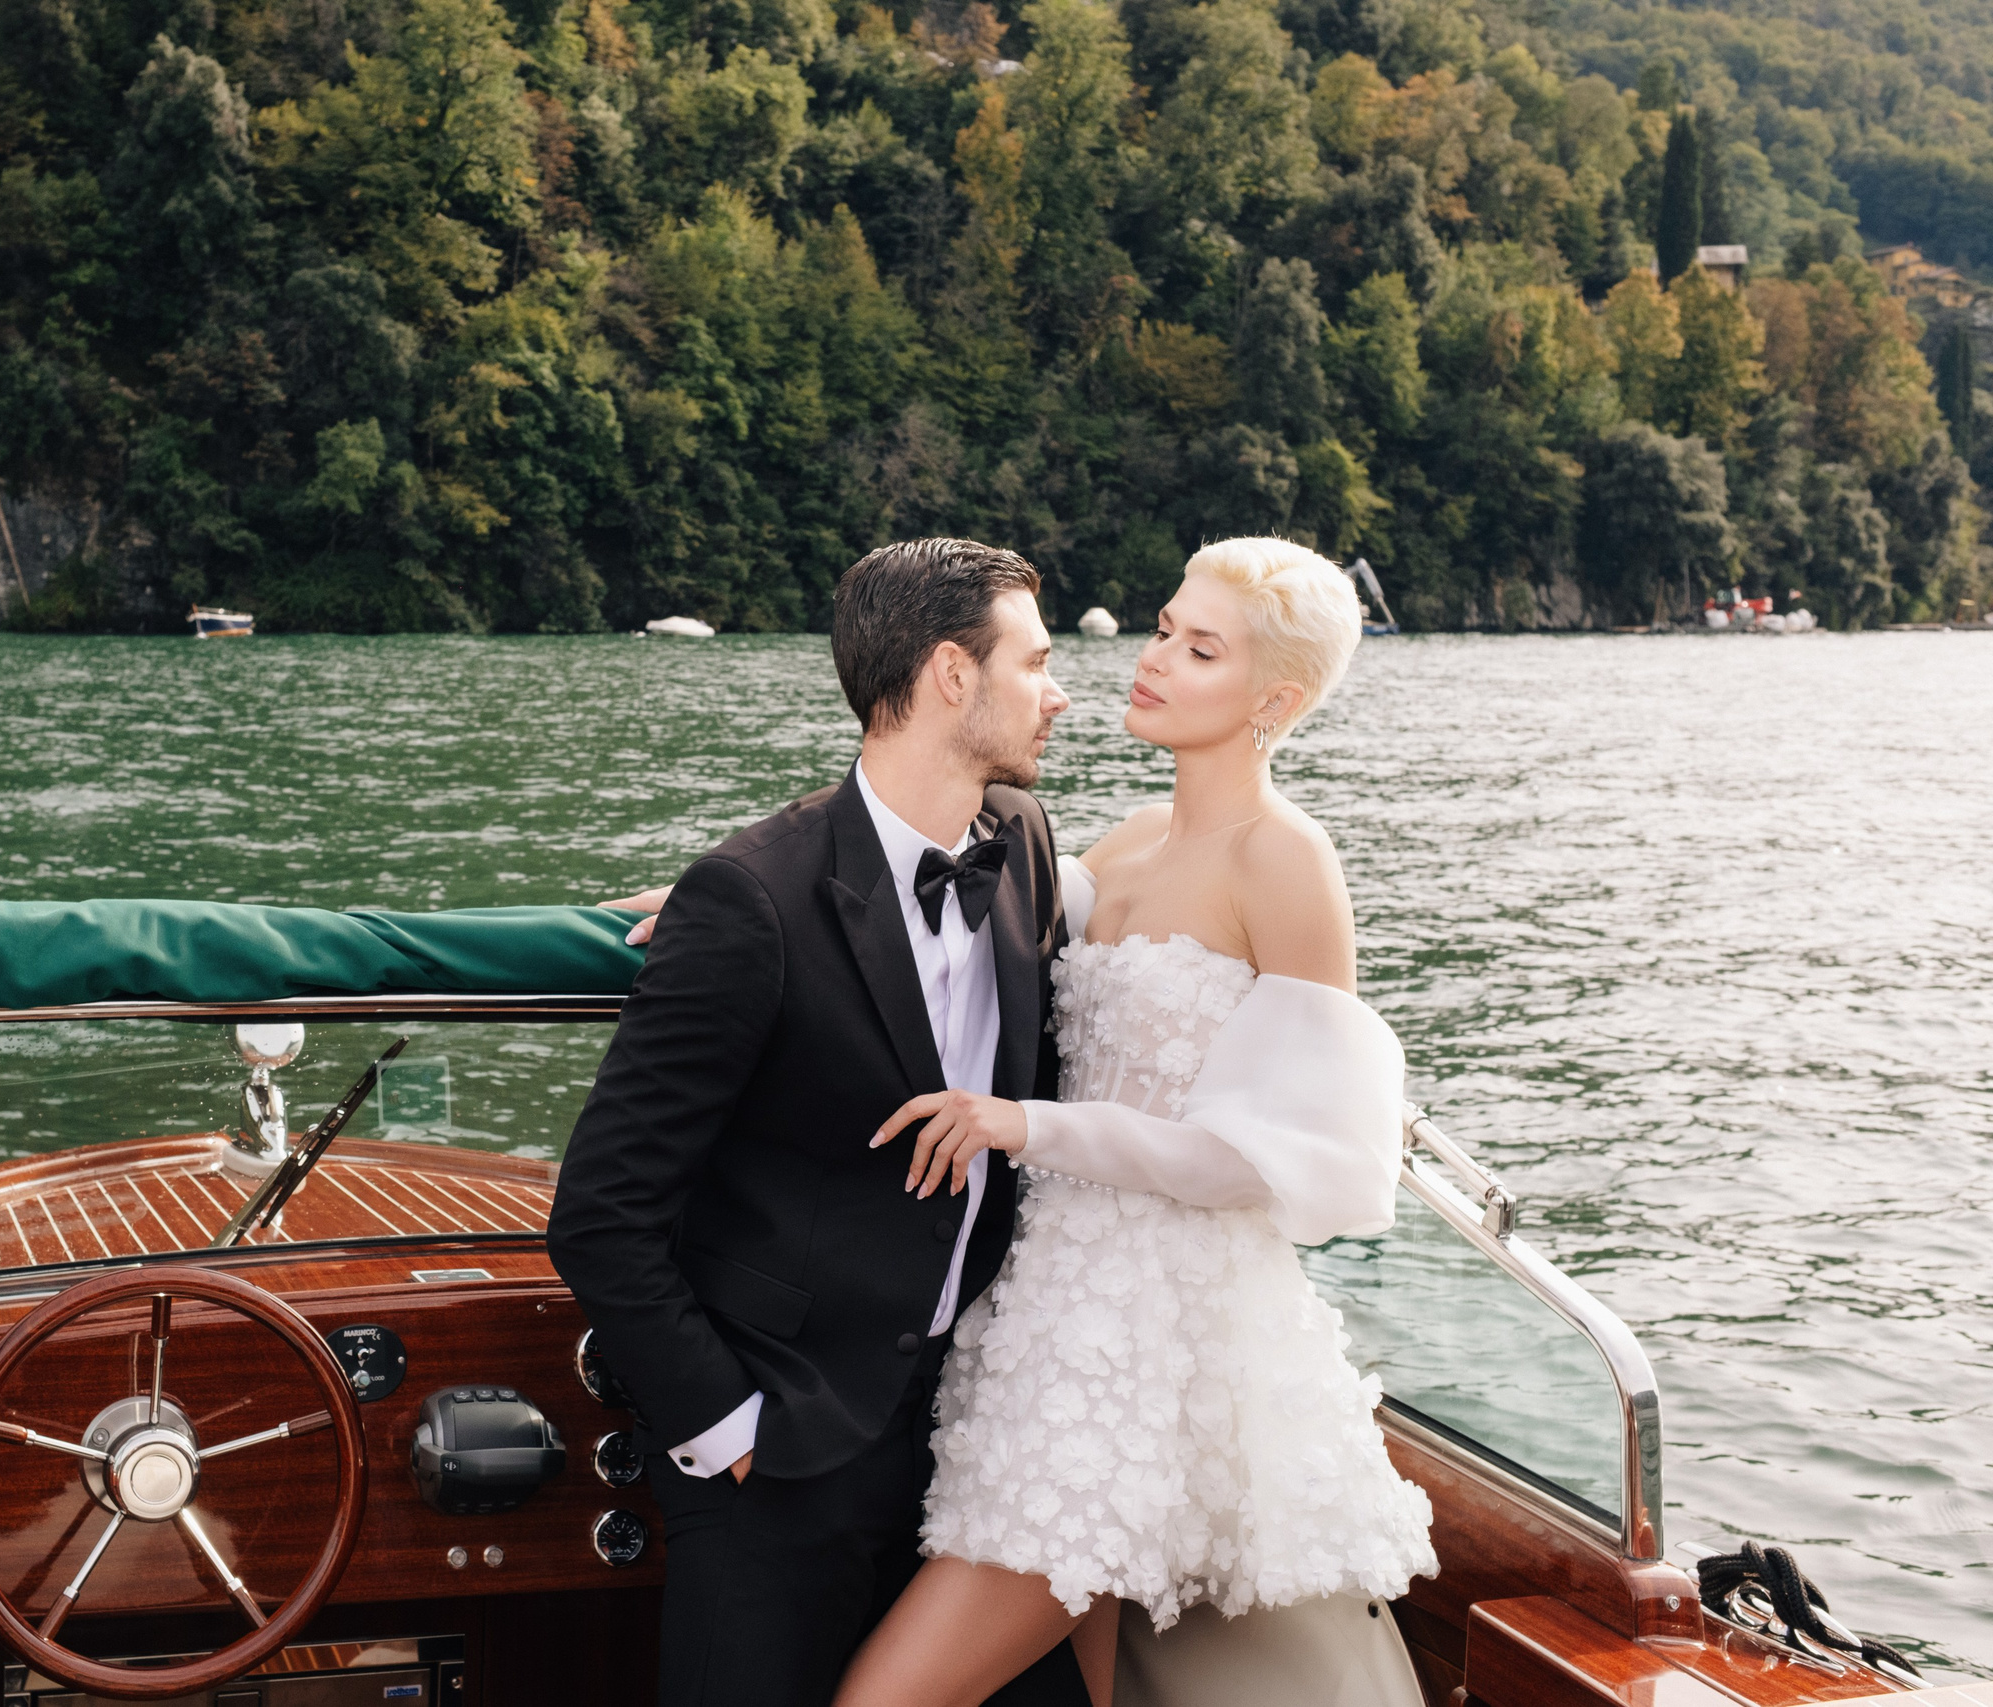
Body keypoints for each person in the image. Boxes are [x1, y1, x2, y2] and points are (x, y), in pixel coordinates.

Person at [833, 536, 1437, 1707]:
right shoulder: (1119, 843)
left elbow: (1266, 1159)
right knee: (1086, 1695)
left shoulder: (1285, 860)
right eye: (1163, 629)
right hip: (1042, 1311)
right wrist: (723, 895)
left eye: (1199, 649)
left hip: (1151, 1339)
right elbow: (919, 899)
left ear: (1274, 702)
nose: (1153, 659)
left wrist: (1023, 1127)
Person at [547, 538, 1092, 1707]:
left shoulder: (1025, 842)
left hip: (970, 1437)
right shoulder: (751, 901)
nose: (1059, 693)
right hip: (778, 1451)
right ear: (952, 674)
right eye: (1037, 663)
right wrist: (726, 1430)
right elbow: (600, 1215)